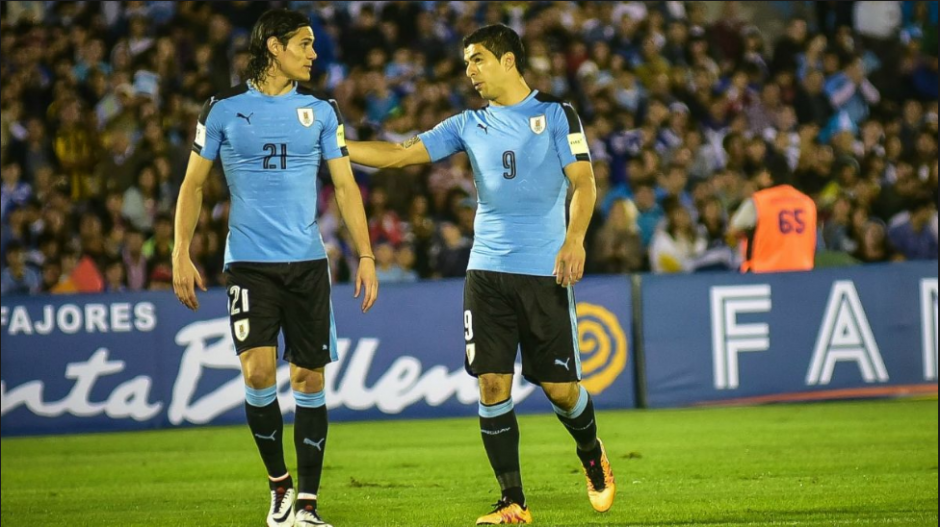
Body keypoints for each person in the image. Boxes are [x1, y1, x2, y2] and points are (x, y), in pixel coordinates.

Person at [347, 24, 615, 525]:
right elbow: (400, 153)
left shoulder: (556, 114)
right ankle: (513, 501)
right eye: (467, 62)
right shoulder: (468, 124)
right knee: (492, 384)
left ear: (508, 60)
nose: (469, 71)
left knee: (560, 390)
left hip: (544, 272)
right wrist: (338, 145)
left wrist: (574, 238)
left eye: (477, 59)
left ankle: (590, 451)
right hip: (487, 272)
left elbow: (584, 181)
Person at [172, 9, 377, 527]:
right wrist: (180, 251)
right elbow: (193, 184)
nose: (314, 53)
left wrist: (366, 255)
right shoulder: (222, 109)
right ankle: (279, 486)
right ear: (273, 46)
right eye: (304, 44)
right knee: (258, 372)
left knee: (308, 378)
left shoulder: (322, 111)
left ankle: (307, 504)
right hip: (249, 265)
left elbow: (346, 186)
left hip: (307, 264)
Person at [728, 169, 818, 273]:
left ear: (769, 176)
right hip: (803, 271)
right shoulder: (807, 202)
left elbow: (733, 230)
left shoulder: (759, 201)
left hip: (765, 272)